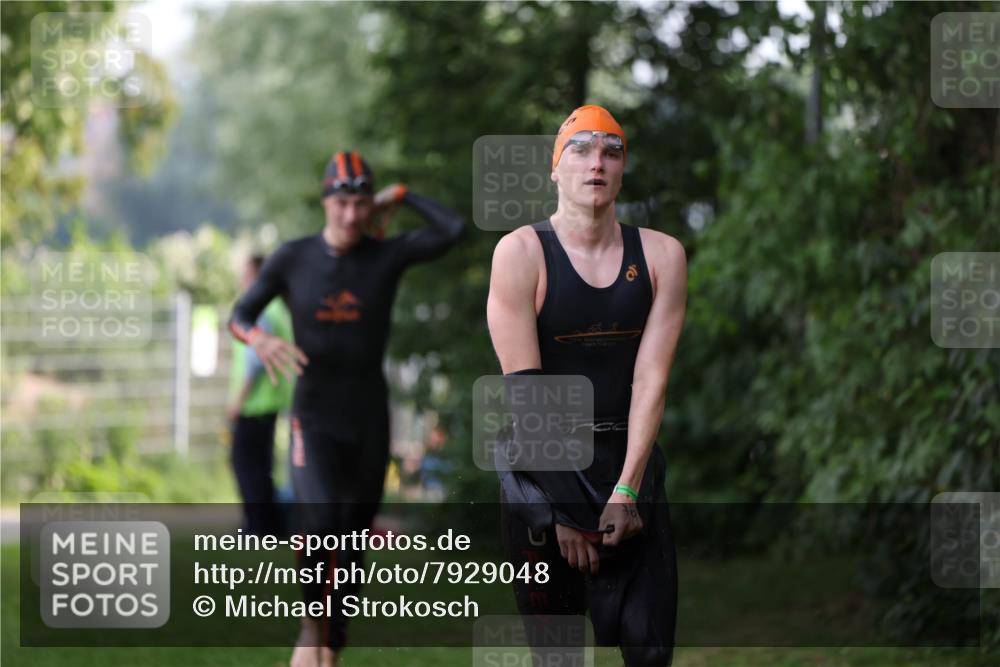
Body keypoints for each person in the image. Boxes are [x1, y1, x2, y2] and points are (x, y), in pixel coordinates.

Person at [229, 150, 464, 667]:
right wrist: (258, 342)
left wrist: (400, 196)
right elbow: (240, 314)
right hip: (313, 418)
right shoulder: (293, 258)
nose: (353, 214)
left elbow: (452, 230)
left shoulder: (385, 255)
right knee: (319, 528)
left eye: (361, 203)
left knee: (352, 544)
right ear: (325, 202)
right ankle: (312, 637)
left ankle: (327, 645)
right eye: (342, 203)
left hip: (368, 421)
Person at [486, 105, 687, 666]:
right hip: (543, 481)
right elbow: (525, 394)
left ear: (623, 170)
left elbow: (651, 380)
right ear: (556, 167)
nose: (596, 162)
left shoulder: (662, 256)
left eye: (611, 150)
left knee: (651, 655)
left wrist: (626, 490)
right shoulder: (521, 253)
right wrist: (568, 512)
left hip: (631, 469)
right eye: (580, 148)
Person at [227, 253, 294, 537]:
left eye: (246, 274)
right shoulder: (278, 308)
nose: (242, 280)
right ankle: (265, 526)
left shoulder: (262, 311)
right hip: (268, 402)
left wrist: (237, 402)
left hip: (255, 404)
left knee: (247, 466)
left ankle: (259, 527)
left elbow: (254, 363)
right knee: (261, 466)